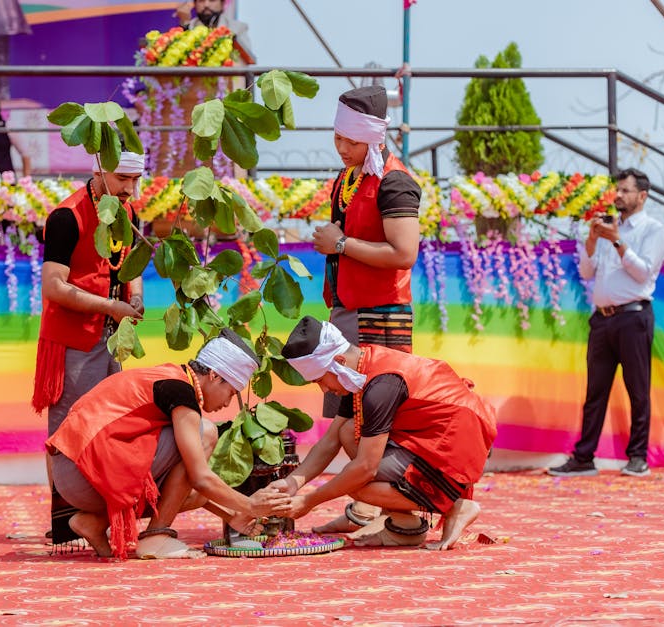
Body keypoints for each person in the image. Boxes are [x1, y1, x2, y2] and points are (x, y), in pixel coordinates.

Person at [46, 329, 291, 560]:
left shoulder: (169, 376)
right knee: (205, 433)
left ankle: (94, 523)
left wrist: (232, 514)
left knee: (194, 494)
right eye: (231, 392)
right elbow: (200, 477)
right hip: (84, 471)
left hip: (71, 475)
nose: (228, 403)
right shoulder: (181, 391)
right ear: (214, 376)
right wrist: (250, 505)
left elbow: (189, 488)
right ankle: (156, 537)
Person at [273, 316, 497, 551]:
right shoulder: (357, 369)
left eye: (320, 380)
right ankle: (404, 525)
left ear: (338, 361)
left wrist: (309, 501)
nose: (324, 389)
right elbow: (330, 441)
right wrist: (292, 483)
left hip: (456, 440)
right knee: (348, 431)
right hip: (432, 433)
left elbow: (365, 468)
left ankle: (455, 506)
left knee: (354, 483)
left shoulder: (380, 386)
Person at [311, 85, 422, 534]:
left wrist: (341, 244)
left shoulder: (394, 181)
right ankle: (364, 509)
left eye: (351, 141)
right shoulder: (349, 177)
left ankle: (397, 512)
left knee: (371, 421)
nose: (342, 147)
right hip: (347, 308)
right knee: (345, 416)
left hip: (380, 314)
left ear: (374, 138)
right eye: (337, 137)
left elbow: (404, 253)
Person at [33, 150, 146, 544]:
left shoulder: (127, 212)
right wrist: (109, 306)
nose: (129, 188)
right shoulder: (67, 217)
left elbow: (132, 266)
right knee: (68, 429)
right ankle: (65, 525)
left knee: (109, 425)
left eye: (135, 180)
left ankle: (94, 515)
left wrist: (135, 297)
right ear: (99, 170)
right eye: (122, 179)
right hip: (74, 337)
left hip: (112, 335)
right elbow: (53, 287)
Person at [548, 168, 664, 478]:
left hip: (634, 317)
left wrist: (617, 242)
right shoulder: (607, 228)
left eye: (626, 190)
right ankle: (584, 457)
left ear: (642, 196)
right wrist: (592, 240)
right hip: (602, 320)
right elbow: (587, 273)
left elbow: (644, 273)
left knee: (637, 390)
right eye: (618, 190)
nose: (619, 195)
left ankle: (637, 458)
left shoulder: (652, 230)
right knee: (595, 392)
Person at [175, 0, 253, 55]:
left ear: (222, 4)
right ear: (195, 4)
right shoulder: (187, 27)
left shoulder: (238, 28)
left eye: (212, 0)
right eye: (201, 1)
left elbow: (245, 60)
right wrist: (185, 24)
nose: (206, 5)